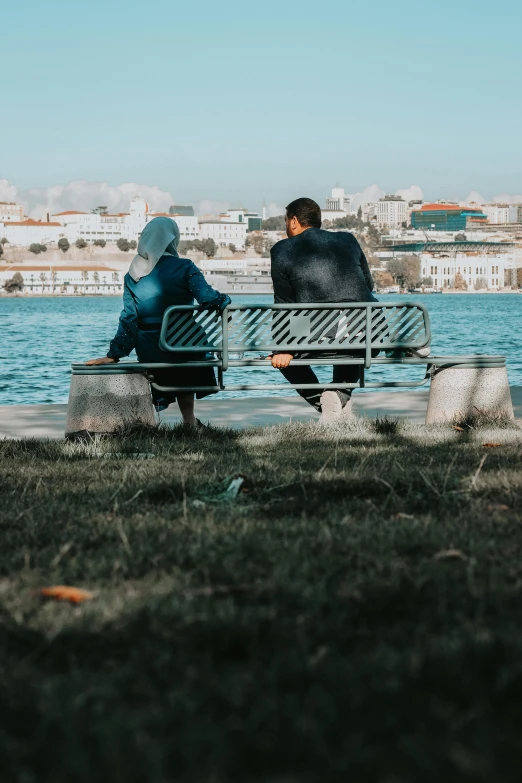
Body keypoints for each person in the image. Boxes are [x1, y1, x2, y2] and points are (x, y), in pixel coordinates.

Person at [86, 217, 230, 426]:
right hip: (186, 347)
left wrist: (115, 354)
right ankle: (188, 420)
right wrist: (225, 300)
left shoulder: (132, 275)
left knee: (164, 345)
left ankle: (150, 423)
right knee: (188, 344)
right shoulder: (184, 267)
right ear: (172, 240)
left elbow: (129, 319)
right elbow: (207, 298)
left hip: (151, 348)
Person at [268, 197, 377, 422]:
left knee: (283, 358)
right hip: (369, 330)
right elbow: (368, 286)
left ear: (294, 221)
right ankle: (339, 398)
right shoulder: (348, 240)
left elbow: (284, 304)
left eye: (286, 220)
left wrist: (283, 348)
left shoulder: (281, 250)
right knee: (349, 344)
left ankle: (325, 402)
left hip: (319, 333)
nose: (286, 225)